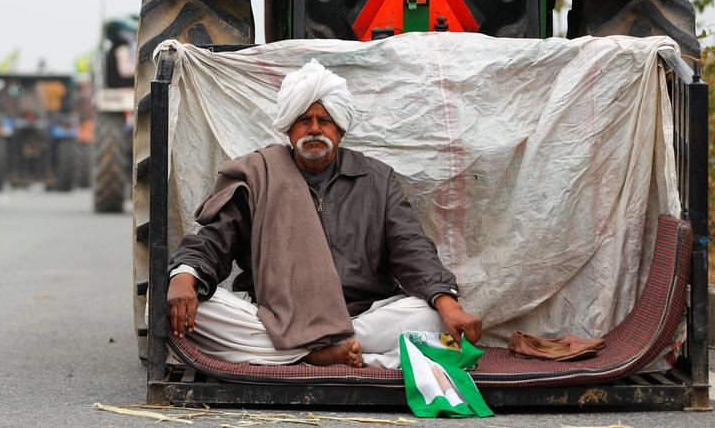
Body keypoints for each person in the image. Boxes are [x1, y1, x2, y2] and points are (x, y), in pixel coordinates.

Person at [167, 59, 483, 369]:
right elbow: (214, 238)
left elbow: (411, 247)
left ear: (340, 130)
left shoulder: (376, 180)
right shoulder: (257, 177)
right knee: (190, 306)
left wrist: (447, 303)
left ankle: (308, 349)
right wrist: (185, 276)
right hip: (278, 318)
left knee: (430, 316)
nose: (315, 129)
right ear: (289, 129)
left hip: (361, 316)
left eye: (325, 120)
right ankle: (317, 351)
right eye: (304, 119)